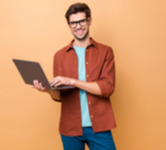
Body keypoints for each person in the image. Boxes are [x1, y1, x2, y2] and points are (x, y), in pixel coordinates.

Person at [32, 3, 117, 150]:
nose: (78, 26)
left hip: (99, 126)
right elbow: (60, 95)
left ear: (89, 21)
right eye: (73, 23)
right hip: (70, 128)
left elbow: (107, 88)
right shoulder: (59, 56)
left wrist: (72, 81)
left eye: (82, 21)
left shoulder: (106, 52)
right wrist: (48, 90)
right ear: (69, 25)